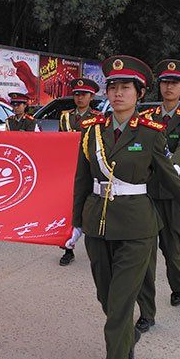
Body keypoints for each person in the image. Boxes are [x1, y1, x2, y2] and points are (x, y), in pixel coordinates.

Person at [64, 55, 180, 359]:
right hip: (98, 227)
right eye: (112, 86)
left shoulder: (149, 132)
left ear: (139, 92)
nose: (117, 93)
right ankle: (127, 342)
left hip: (138, 230)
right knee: (106, 300)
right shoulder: (92, 130)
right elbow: (83, 179)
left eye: (125, 87)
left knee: (119, 310)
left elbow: (169, 176)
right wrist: (76, 223)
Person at [135, 59, 180, 337]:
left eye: (174, 83)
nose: (168, 86)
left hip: (174, 189)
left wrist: (175, 162)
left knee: (173, 248)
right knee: (145, 255)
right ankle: (147, 312)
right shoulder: (147, 116)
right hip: (148, 189)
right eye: (164, 82)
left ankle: (179, 283)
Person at [58, 77, 101, 266]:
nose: (79, 98)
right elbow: (59, 141)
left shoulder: (98, 117)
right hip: (69, 167)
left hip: (90, 168)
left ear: (91, 96)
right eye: (76, 94)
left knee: (91, 206)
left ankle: (96, 246)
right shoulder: (65, 116)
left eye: (83, 95)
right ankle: (68, 248)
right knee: (68, 207)